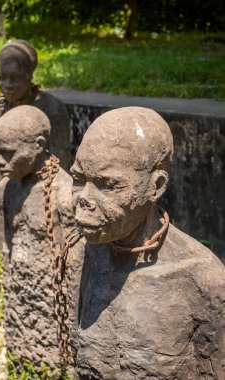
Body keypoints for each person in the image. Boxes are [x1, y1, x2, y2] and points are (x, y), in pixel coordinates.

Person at [67, 106, 225, 379]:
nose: (84, 199)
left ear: (155, 186)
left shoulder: (202, 280)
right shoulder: (83, 256)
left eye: (107, 185)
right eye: (79, 179)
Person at [0, 105, 74, 370]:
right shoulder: (5, 190)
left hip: (53, 303)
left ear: (38, 145)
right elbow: (6, 244)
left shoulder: (64, 195)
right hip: (21, 297)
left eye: (8, 153)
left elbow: (77, 264)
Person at [0, 39, 71, 179]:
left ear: (29, 76)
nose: (7, 85)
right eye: (2, 76)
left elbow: (60, 162)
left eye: (15, 78)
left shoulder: (52, 109)